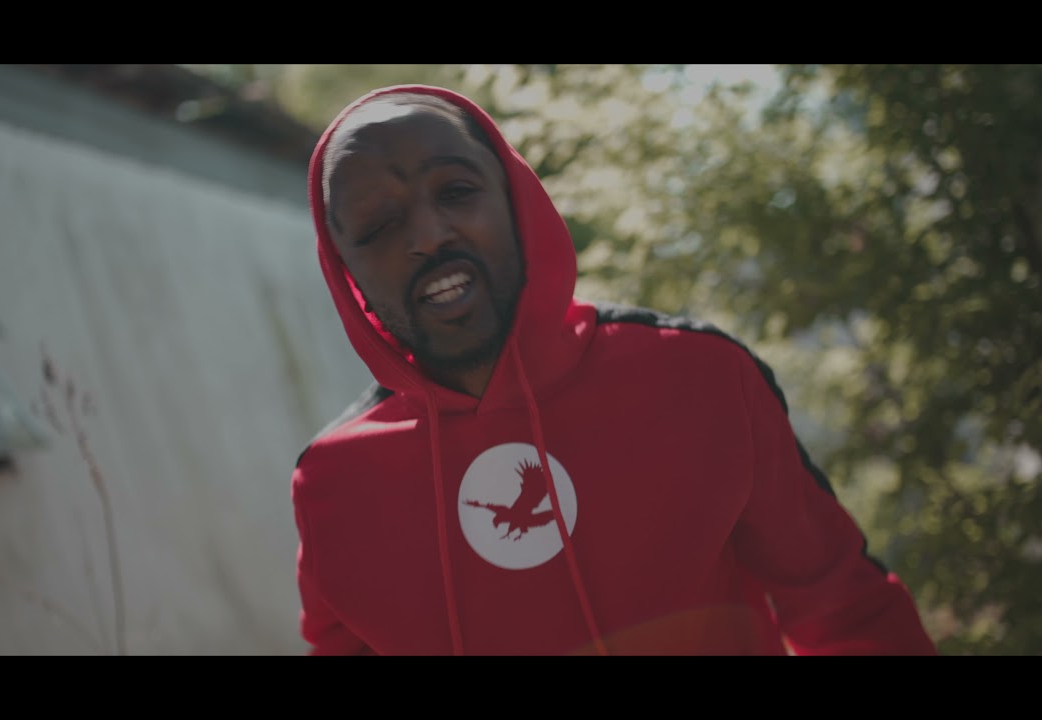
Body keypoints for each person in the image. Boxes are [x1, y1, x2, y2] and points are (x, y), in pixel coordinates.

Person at [290, 84, 938, 656]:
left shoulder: (697, 377)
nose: (429, 235)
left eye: (456, 191)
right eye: (377, 225)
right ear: (346, 275)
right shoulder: (334, 485)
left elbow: (846, 610)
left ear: (516, 199)